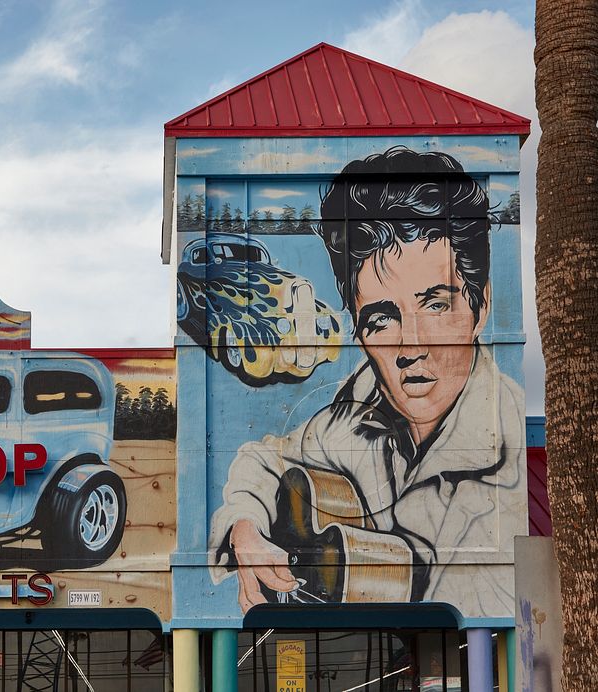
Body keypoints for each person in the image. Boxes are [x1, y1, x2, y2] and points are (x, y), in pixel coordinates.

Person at [208, 147, 524, 618]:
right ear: (357, 329)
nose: (410, 345)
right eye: (382, 319)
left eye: (435, 305)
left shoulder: (506, 466)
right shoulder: (354, 415)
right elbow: (265, 459)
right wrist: (245, 527)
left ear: (480, 308)